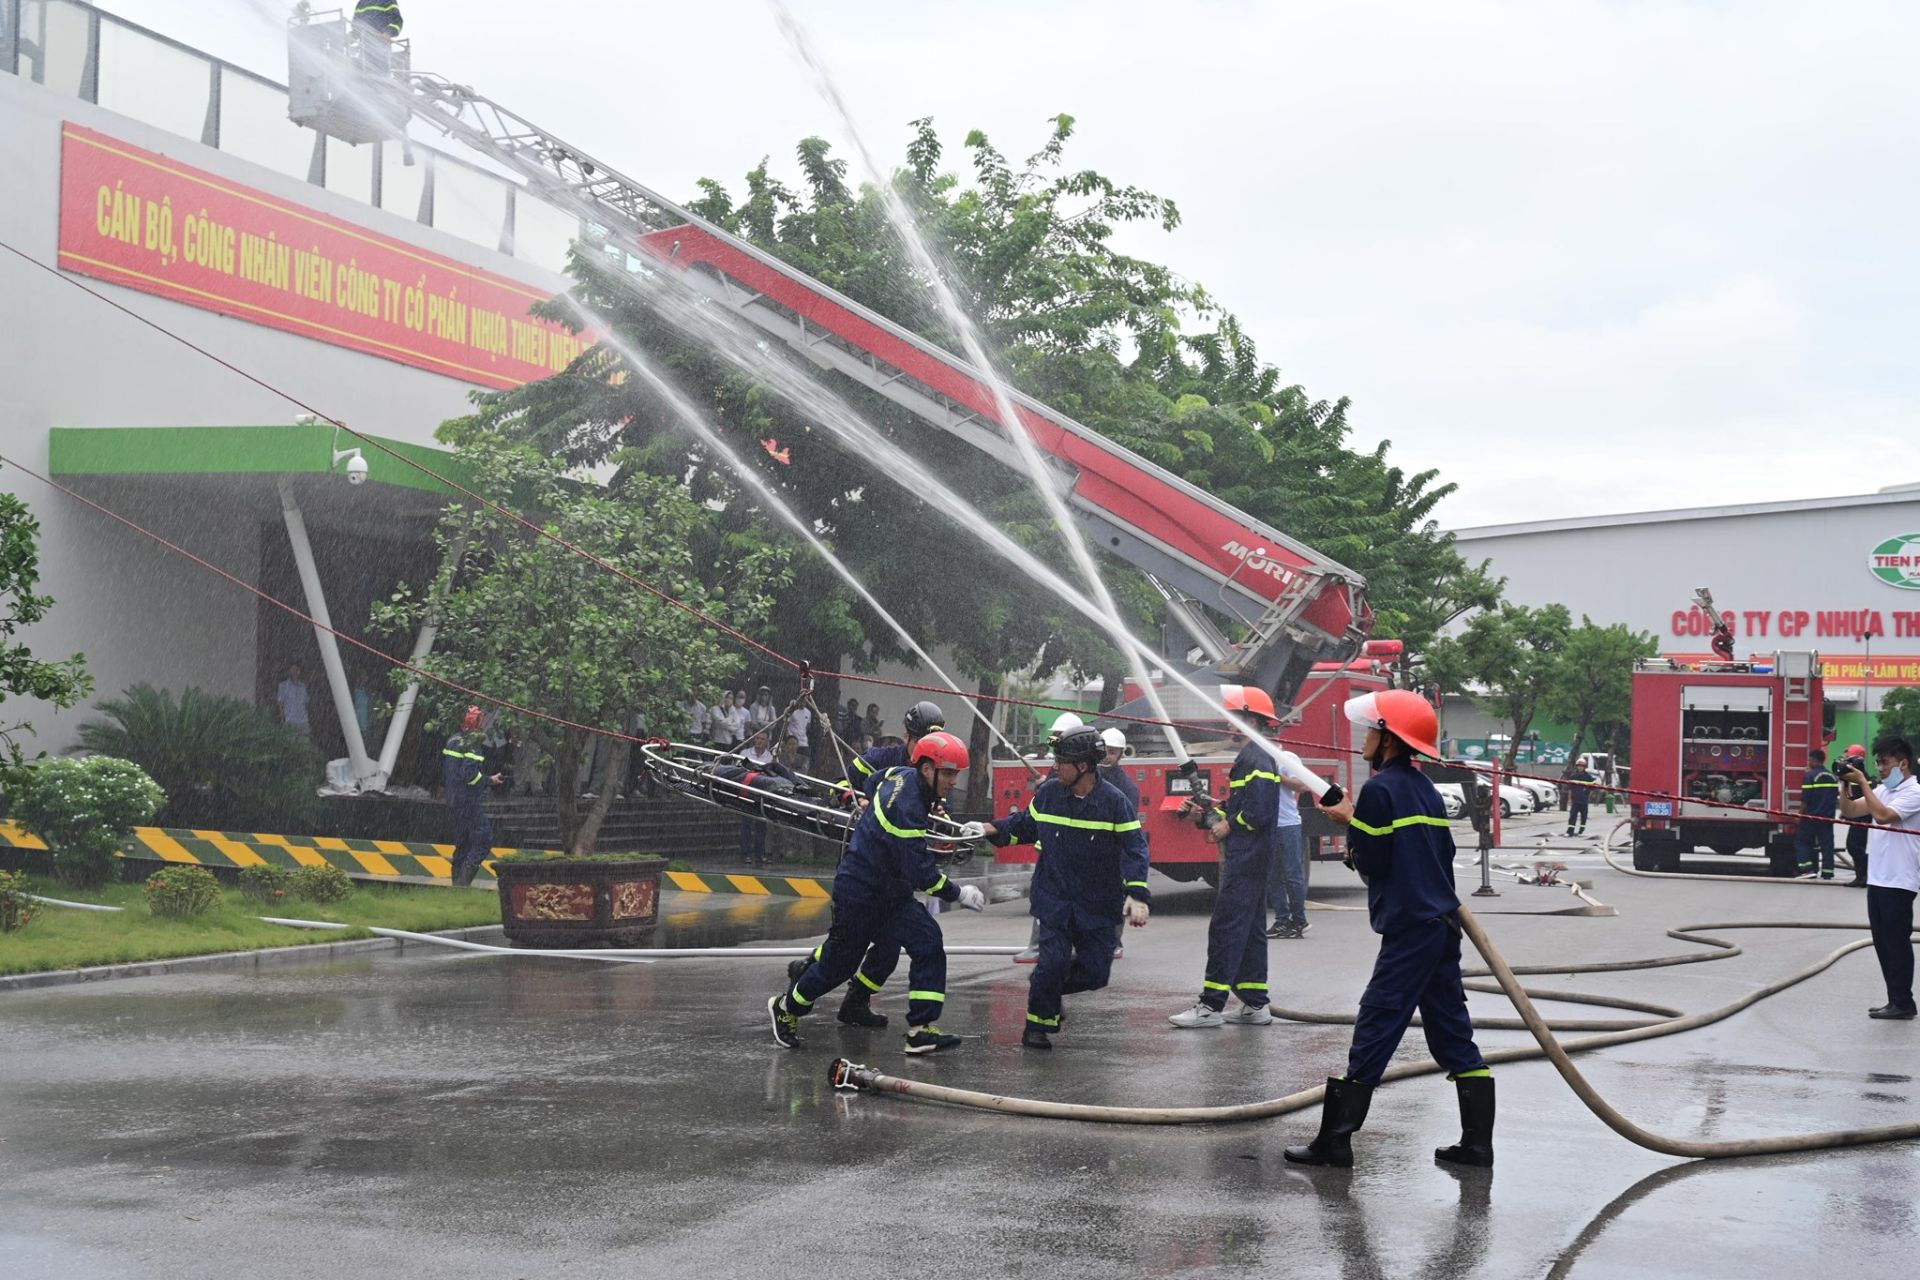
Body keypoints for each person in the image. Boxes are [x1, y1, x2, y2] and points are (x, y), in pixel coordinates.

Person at [1284, 689, 1494, 1171]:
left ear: (1390, 740)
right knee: (1453, 1033)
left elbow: (1373, 861)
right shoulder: (1425, 790)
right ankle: (1477, 1146)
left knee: (1377, 1023)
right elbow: (1440, 857)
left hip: (1411, 932)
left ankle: (1335, 1141)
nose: (1366, 736)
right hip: (1441, 927)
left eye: (1373, 730)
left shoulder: (1380, 791)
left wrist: (1347, 825)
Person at [768, 730, 986, 1053]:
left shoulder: (900, 774)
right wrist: (958, 893)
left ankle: (921, 1029)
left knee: (927, 940)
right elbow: (922, 872)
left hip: (890, 894)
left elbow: (872, 783)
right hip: (860, 892)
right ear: (928, 768)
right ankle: (786, 1008)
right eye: (951, 773)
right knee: (838, 966)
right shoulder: (907, 808)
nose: (955, 781)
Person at [982, 727, 1151, 1049]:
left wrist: (1138, 894)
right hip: (1055, 897)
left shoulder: (1115, 803)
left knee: (1096, 974)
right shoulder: (1048, 795)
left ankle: (1045, 986)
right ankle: (1036, 1027)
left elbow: (1135, 848)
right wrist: (987, 829)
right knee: (1053, 962)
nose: (1055, 767)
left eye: (1062, 761)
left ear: (1084, 766)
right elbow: (1025, 827)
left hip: (1097, 904)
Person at [790, 700, 954, 1028]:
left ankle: (855, 1002)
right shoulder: (883, 759)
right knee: (848, 944)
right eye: (920, 740)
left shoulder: (933, 769)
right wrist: (855, 798)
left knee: (888, 947)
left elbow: (931, 815)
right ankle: (805, 977)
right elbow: (841, 784)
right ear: (908, 736)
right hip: (867, 864)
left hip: (896, 875)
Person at [1169, 687, 1299, 1028]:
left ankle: (1210, 1006)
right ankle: (1255, 1003)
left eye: (1234, 719)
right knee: (1252, 929)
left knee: (1226, 927)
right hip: (1253, 858)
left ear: (1251, 720)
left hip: (1247, 858)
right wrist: (1214, 811)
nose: (1228, 726)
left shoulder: (1256, 759)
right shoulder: (1255, 757)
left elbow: (1258, 811)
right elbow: (1246, 806)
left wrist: (1230, 824)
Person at [1836, 736, 1920, 1020]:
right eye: (1878, 763)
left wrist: (1863, 782)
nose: (1880, 768)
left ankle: (1904, 1002)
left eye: (1885, 763)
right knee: (1883, 943)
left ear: (1903, 763)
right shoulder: (1883, 790)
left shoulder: (1914, 792)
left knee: (1897, 942)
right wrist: (1845, 782)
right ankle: (1894, 999)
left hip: (1899, 880)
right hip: (1878, 880)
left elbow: (1883, 816)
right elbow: (1849, 811)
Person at [443, 705, 502, 887]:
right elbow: (470, 776)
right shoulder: (473, 745)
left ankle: (457, 885)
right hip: (468, 800)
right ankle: (463, 882)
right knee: (484, 839)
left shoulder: (453, 739)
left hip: (454, 799)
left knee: (463, 842)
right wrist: (489, 780)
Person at [1265, 757, 1312, 940]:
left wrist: (1278, 776)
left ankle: (1300, 921)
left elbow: (1302, 785)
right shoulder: (1256, 759)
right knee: (1273, 876)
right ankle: (1282, 921)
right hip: (1268, 826)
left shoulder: (1287, 759)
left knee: (1292, 875)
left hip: (1288, 825)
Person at [1796, 747, 1839, 880]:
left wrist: (1799, 815)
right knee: (1827, 845)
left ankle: (1807, 870)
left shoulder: (1810, 776)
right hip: (1827, 818)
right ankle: (1828, 872)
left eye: (1809, 760)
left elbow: (1805, 799)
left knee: (1802, 842)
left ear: (1814, 760)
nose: (1808, 762)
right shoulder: (1832, 776)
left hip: (1811, 817)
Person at [738, 729, 775, 866]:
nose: (759, 742)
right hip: (746, 792)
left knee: (761, 825)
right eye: (757, 739)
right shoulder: (745, 754)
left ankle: (760, 853)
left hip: (761, 794)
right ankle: (746, 853)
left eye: (762, 739)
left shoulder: (770, 757)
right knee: (746, 824)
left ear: (766, 742)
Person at [1843, 743, 1871, 886]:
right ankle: (1860, 876)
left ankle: (1866, 875)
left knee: (1855, 846)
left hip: (1862, 818)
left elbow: (1864, 798)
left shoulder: (1863, 777)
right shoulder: (1855, 776)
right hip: (1856, 817)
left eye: (1848, 757)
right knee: (1854, 846)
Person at [1564, 761, 1597, 838]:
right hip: (1575, 800)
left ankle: (1581, 831)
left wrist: (1589, 795)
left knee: (1584, 816)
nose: (1580, 767)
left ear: (1584, 767)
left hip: (1584, 800)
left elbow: (1593, 788)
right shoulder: (1573, 777)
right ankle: (1570, 831)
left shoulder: (1588, 777)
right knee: (1572, 816)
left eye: (1582, 766)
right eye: (1579, 766)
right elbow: (1570, 789)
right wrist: (1569, 799)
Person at [276, 662, 311, 734]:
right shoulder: (283, 686)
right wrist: (282, 720)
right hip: (290, 720)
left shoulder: (303, 686)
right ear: (289, 671)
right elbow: (280, 704)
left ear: (299, 671)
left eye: (297, 670)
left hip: (303, 721)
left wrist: (307, 718)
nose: (295, 672)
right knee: (291, 743)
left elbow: (306, 703)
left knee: (304, 743)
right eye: (293, 669)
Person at [787, 702, 813, 772]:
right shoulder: (793, 711)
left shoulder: (808, 712)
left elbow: (808, 726)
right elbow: (787, 723)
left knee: (804, 761)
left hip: (804, 742)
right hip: (793, 742)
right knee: (791, 761)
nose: (803, 703)